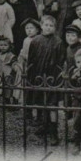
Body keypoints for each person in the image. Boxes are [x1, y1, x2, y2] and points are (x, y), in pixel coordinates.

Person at [26, 15, 66, 146]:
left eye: (51, 26)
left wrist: (58, 77)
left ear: (55, 28)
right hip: (38, 76)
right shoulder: (36, 41)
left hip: (52, 78)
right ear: (41, 26)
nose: (48, 28)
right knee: (41, 102)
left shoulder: (58, 42)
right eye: (46, 25)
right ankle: (45, 126)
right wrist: (31, 76)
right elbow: (31, 60)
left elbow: (60, 62)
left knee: (52, 105)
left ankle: (53, 131)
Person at [17, 18, 41, 121]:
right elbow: (23, 53)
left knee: (33, 89)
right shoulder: (26, 40)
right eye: (27, 28)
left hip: (35, 67)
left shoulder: (38, 40)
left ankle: (37, 113)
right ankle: (27, 112)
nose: (29, 30)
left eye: (31, 28)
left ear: (37, 30)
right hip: (25, 66)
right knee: (25, 89)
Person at [0, 37, 19, 105]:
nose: (3, 47)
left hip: (8, 74)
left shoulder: (10, 55)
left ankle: (8, 101)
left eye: (5, 45)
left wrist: (15, 66)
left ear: (9, 46)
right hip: (0, 73)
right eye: (1, 45)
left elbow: (14, 62)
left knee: (8, 88)